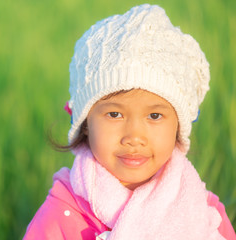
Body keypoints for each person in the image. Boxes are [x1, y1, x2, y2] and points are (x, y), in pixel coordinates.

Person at [23, 4, 236, 240]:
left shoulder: (202, 213)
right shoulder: (62, 216)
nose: (134, 136)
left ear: (178, 125)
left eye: (154, 116)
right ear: (85, 122)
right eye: (114, 115)